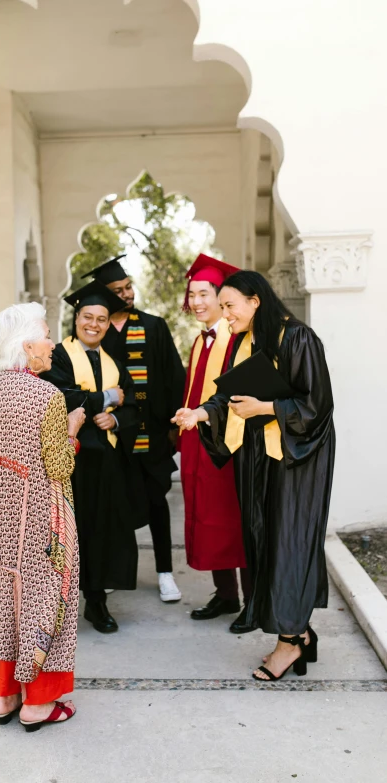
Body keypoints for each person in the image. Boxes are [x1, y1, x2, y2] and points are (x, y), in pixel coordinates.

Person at [173, 271, 335, 681]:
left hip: (299, 458)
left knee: (290, 543)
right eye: (222, 307)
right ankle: (300, 630)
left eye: (229, 306)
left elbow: (317, 405)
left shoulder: (298, 338)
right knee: (265, 542)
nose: (224, 314)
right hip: (261, 457)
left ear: (256, 301)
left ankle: (290, 642)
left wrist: (266, 409)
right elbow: (228, 395)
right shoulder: (246, 343)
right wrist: (200, 413)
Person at [0, 302, 85, 731]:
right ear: (26, 344)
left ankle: (6, 696)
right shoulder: (49, 396)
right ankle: (37, 703)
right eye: (45, 334)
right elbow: (60, 466)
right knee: (47, 595)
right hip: (41, 514)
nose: (52, 343)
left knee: (7, 592)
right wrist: (73, 427)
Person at [42, 280, 144, 634]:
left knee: (104, 531)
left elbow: (131, 404)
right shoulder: (57, 355)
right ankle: (55, 606)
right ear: (76, 318)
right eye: (88, 316)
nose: (94, 324)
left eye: (102, 319)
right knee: (65, 532)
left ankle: (96, 602)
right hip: (70, 461)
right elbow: (61, 397)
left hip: (107, 461)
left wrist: (115, 417)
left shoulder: (114, 361)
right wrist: (104, 399)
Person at [82, 256, 186, 603]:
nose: (127, 294)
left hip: (151, 433)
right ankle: (114, 571)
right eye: (118, 290)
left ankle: (165, 573)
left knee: (157, 502)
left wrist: (172, 426)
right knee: (113, 505)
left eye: (128, 287)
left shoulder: (154, 326)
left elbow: (173, 377)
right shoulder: (94, 331)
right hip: (110, 435)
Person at [179, 255, 254, 633]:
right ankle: (225, 594)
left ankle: (252, 603)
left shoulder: (234, 339)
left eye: (205, 294)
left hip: (228, 446)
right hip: (200, 443)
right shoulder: (200, 340)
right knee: (209, 521)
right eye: (192, 294)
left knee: (235, 523)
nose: (197, 302)